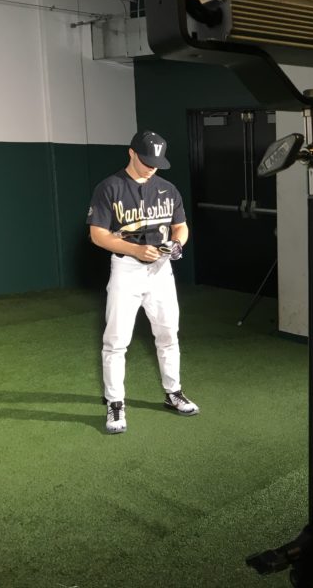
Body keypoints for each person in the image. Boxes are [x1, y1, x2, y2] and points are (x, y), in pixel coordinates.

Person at [87, 130, 199, 434]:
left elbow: (181, 226)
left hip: (162, 270)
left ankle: (173, 392)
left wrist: (177, 244)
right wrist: (135, 249)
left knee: (168, 334)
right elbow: (97, 235)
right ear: (131, 153)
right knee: (116, 340)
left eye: (157, 162)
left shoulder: (167, 188)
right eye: (147, 160)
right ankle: (115, 403)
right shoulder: (109, 187)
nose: (152, 167)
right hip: (127, 269)